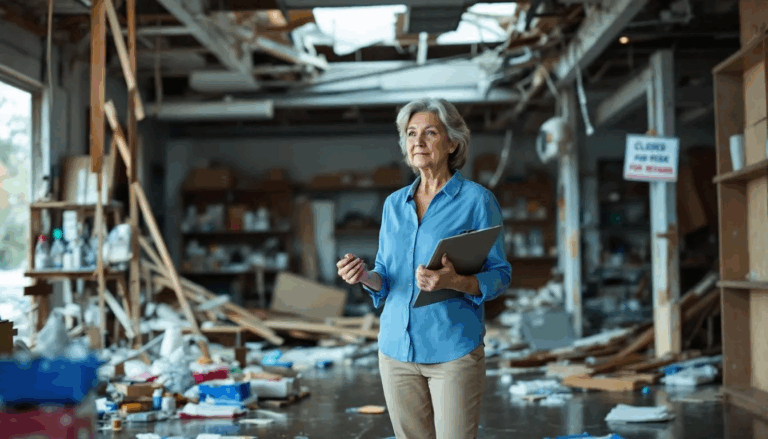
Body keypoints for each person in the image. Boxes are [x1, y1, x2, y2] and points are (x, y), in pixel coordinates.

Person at [336, 97, 512, 439]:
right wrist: (364, 276)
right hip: (396, 350)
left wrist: (456, 281)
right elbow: (385, 277)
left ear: (452, 142)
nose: (417, 141)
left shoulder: (477, 201)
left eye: (430, 132)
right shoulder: (393, 205)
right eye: (411, 133)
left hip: (453, 350)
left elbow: (500, 275)